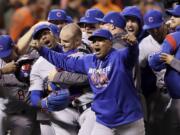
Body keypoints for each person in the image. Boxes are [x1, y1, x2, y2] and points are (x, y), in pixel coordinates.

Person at [31, 23, 145, 135]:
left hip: (129, 120)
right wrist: (42, 50)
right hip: (104, 122)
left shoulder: (120, 57)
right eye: (94, 41)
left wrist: (133, 45)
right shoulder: (88, 60)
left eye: (100, 40)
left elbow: (132, 54)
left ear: (110, 43)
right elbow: (64, 61)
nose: (96, 44)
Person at [148, 8, 180, 135]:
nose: (171, 18)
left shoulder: (174, 37)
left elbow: (155, 62)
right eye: (171, 15)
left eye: (176, 16)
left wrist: (173, 62)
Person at [0, 35, 36, 135]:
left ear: (14, 47)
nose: (5, 58)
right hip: (3, 112)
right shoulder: (0, 64)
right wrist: (2, 71)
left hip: (23, 115)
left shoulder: (27, 61)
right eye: (2, 55)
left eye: (7, 54)